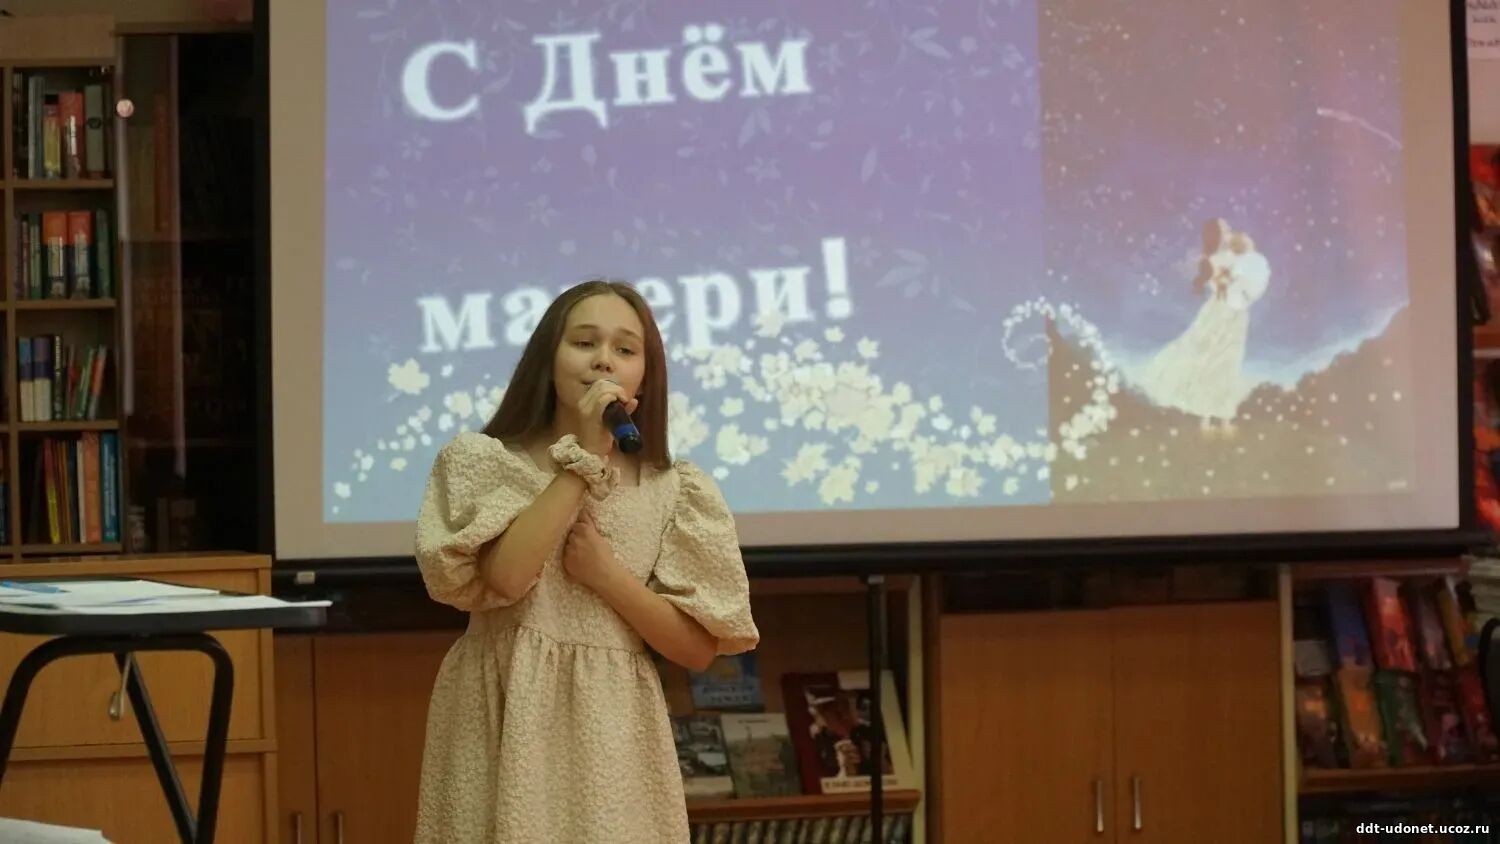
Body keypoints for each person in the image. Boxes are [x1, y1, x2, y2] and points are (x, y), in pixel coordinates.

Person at [411, 279, 760, 843]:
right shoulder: (484, 460)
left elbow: (697, 649)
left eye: (625, 349)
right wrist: (584, 461)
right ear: (547, 359)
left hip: (612, 724)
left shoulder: (674, 488)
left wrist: (606, 577)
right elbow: (505, 578)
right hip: (501, 709)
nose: (604, 360)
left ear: (645, 375)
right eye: (583, 342)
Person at [1134, 218, 1271, 437]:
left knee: (1229, 363)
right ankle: (1207, 421)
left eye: (1229, 228)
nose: (1230, 232)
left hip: (1233, 314)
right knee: (1210, 361)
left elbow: (1250, 273)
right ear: (1216, 235)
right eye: (1225, 230)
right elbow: (1225, 283)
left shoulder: (1232, 256)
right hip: (1221, 313)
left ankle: (1223, 420)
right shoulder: (1215, 259)